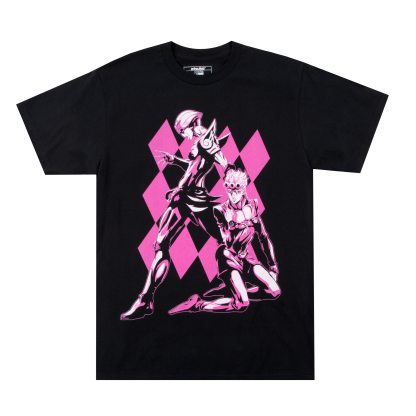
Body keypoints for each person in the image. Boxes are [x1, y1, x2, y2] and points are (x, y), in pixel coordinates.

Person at [120, 110, 234, 320]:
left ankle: (235, 281)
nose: (183, 136)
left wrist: (229, 176)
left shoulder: (206, 139)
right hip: (185, 197)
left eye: (183, 131)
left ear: (192, 124)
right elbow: (195, 166)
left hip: (193, 198)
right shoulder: (201, 141)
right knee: (161, 243)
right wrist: (175, 161)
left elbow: (221, 163)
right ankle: (146, 300)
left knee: (226, 241)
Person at [168, 168, 281, 315]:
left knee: (275, 291)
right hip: (228, 257)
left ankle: (232, 291)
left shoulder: (253, 206)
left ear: (243, 189)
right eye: (230, 190)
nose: (233, 195)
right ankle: (198, 304)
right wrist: (230, 223)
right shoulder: (220, 210)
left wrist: (273, 266)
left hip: (245, 257)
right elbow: (227, 242)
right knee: (242, 304)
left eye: (236, 191)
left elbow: (264, 237)